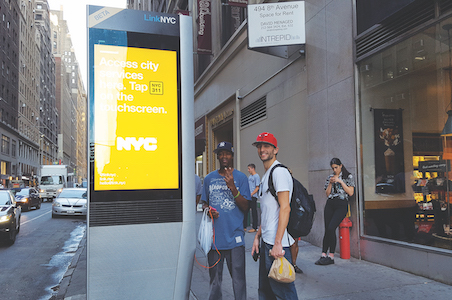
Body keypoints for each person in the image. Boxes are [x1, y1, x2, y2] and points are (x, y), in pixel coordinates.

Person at [200, 141, 251, 300]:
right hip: (215, 239)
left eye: (227, 153)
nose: (223, 156)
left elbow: (246, 207)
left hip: (235, 238)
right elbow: (204, 203)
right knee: (214, 281)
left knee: (239, 280)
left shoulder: (241, 178)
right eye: (220, 153)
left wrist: (233, 189)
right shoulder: (209, 178)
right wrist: (209, 211)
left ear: (232, 156)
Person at [251, 132, 298, 300]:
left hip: (277, 244)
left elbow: (285, 208)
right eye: (260, 146)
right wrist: (257, 236)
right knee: (266, 291)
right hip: (267, 241)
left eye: (266, 146)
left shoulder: (279, 173)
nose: (262, 149)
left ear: (275, 150)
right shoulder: (266, 175)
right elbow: (268, 212)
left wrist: (278, 243)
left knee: (284, 293)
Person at [315, 157, 355, 266]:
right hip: (330, 203)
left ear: (341, 165)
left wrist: (340, 181)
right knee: (327, 229)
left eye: (336, 167)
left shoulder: (348, 176)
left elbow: (350, 192)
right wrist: (331, 183)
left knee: (331, 227)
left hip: (341, 204)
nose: (335, 170)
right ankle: (324, 254)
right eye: (333, 168)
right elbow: (327, 194)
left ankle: (331, 255)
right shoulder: (330, 177)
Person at [244, 163, 260, 233]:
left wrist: (252, 194)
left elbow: (257, 187)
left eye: (249, 169)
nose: (248, 170)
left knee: (254, 211)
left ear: (253, 168)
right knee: (245, 211)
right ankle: (244, 226)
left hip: (253, 196)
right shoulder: (249, 177)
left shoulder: (256, 176)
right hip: (248, 196)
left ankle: (255, 227)